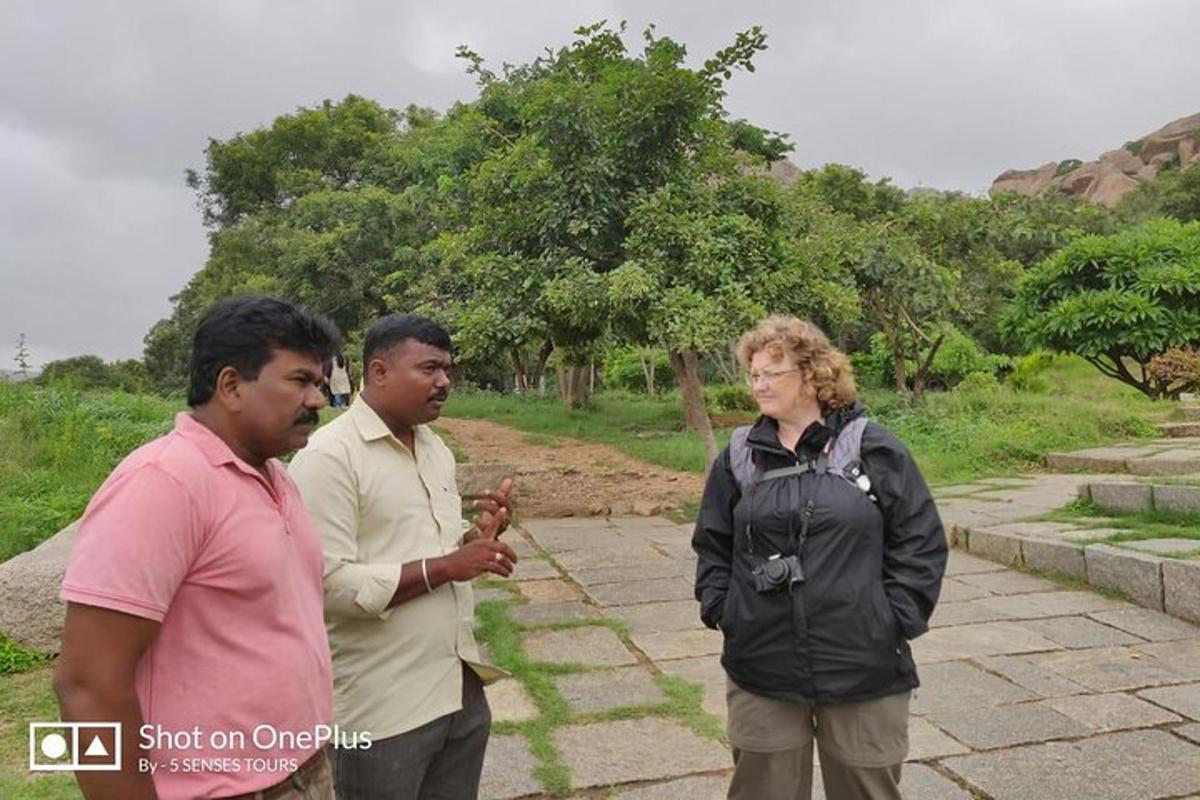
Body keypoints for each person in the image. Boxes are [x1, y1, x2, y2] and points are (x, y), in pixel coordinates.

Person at [54, 295, 342, 800]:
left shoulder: (275, 476)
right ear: (230, 385)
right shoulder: (164, 483)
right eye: (299, 381)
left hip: (303, 771)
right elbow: (87, 685)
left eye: (319, 383)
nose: (318, 400)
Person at [692, 315, 947, 800]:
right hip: (761, 663)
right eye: (754, 374)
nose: (760, 384)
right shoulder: (742, 456)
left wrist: (893, 619)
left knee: (865, 786)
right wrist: (726, 612)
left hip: (861, 663)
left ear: (812, 376)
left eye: (773, 372)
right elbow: (713, 544)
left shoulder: (872, 448)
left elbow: (920, 541)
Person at [289, 312, 516, 800]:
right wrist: (446, 569)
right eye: (429, 369)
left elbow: (422, 545)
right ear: (378, 372)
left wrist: (470, 541)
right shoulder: (328, 458)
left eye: (446, 370)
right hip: (380, 708)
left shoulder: (434, 448)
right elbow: (324, 584)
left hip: (455, 685)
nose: (444, 382)